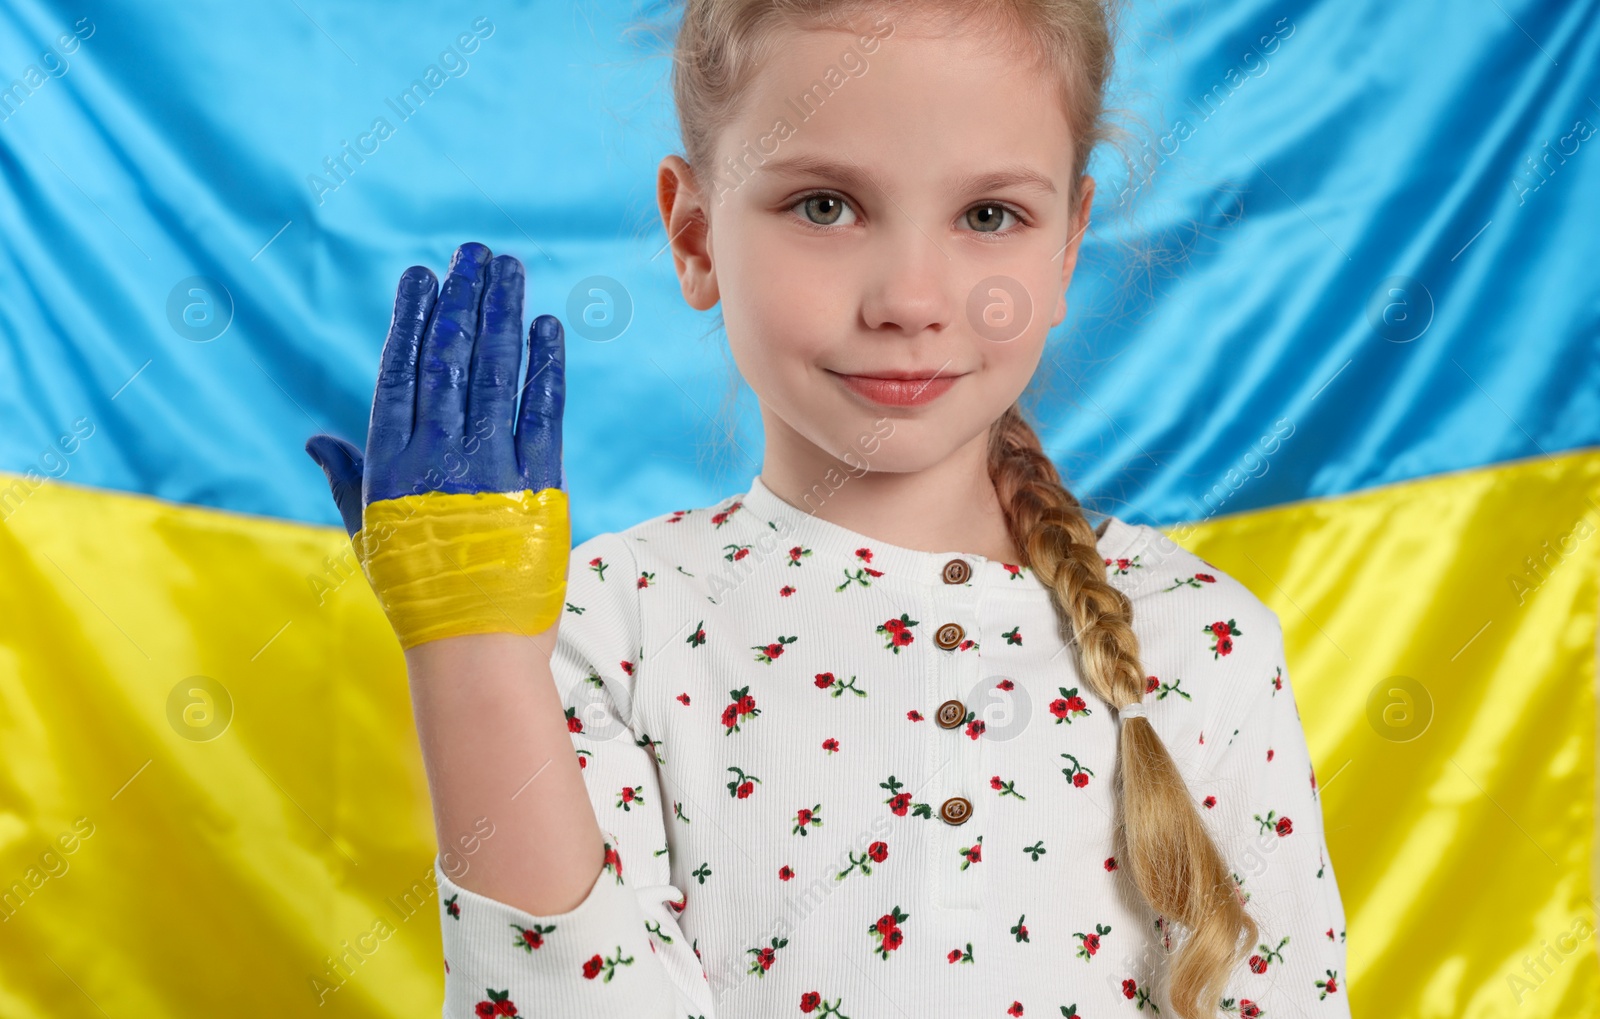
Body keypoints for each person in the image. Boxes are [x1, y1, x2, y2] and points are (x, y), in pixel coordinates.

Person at [304, 2, 1350, 1016]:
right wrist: (476, 666)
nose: (909, 296)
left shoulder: (1202, 638)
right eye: (825, 205)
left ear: (1068, 241)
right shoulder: (608, 625)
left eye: (989, 215)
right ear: (695, 235)